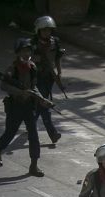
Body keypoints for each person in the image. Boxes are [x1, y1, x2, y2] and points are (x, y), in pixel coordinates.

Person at [0, 38, 45, 177]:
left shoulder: (32, 67)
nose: (26, 54)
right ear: (17, 53)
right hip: (15, 106)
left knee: (33, 135)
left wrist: (42, 99)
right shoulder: (12, 69)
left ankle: (34, 165)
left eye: (28, 51)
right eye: (23, 51)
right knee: (10, 132)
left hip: (28, 106)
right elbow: (3, 85)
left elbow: (34, 87)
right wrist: (21, 92)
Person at [30, 15, 64, 145]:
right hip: (36, 78)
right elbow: (24, 59)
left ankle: (30, 124)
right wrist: (33, 59)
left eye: (49, 30)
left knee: (40, 104)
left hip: (49, 77)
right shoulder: (32, 43)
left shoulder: (55, 42)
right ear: (38, 30)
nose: (46, 32)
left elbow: (57, 58)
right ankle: (53, 134)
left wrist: (59, 73)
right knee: (44, 105)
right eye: (44, 30)